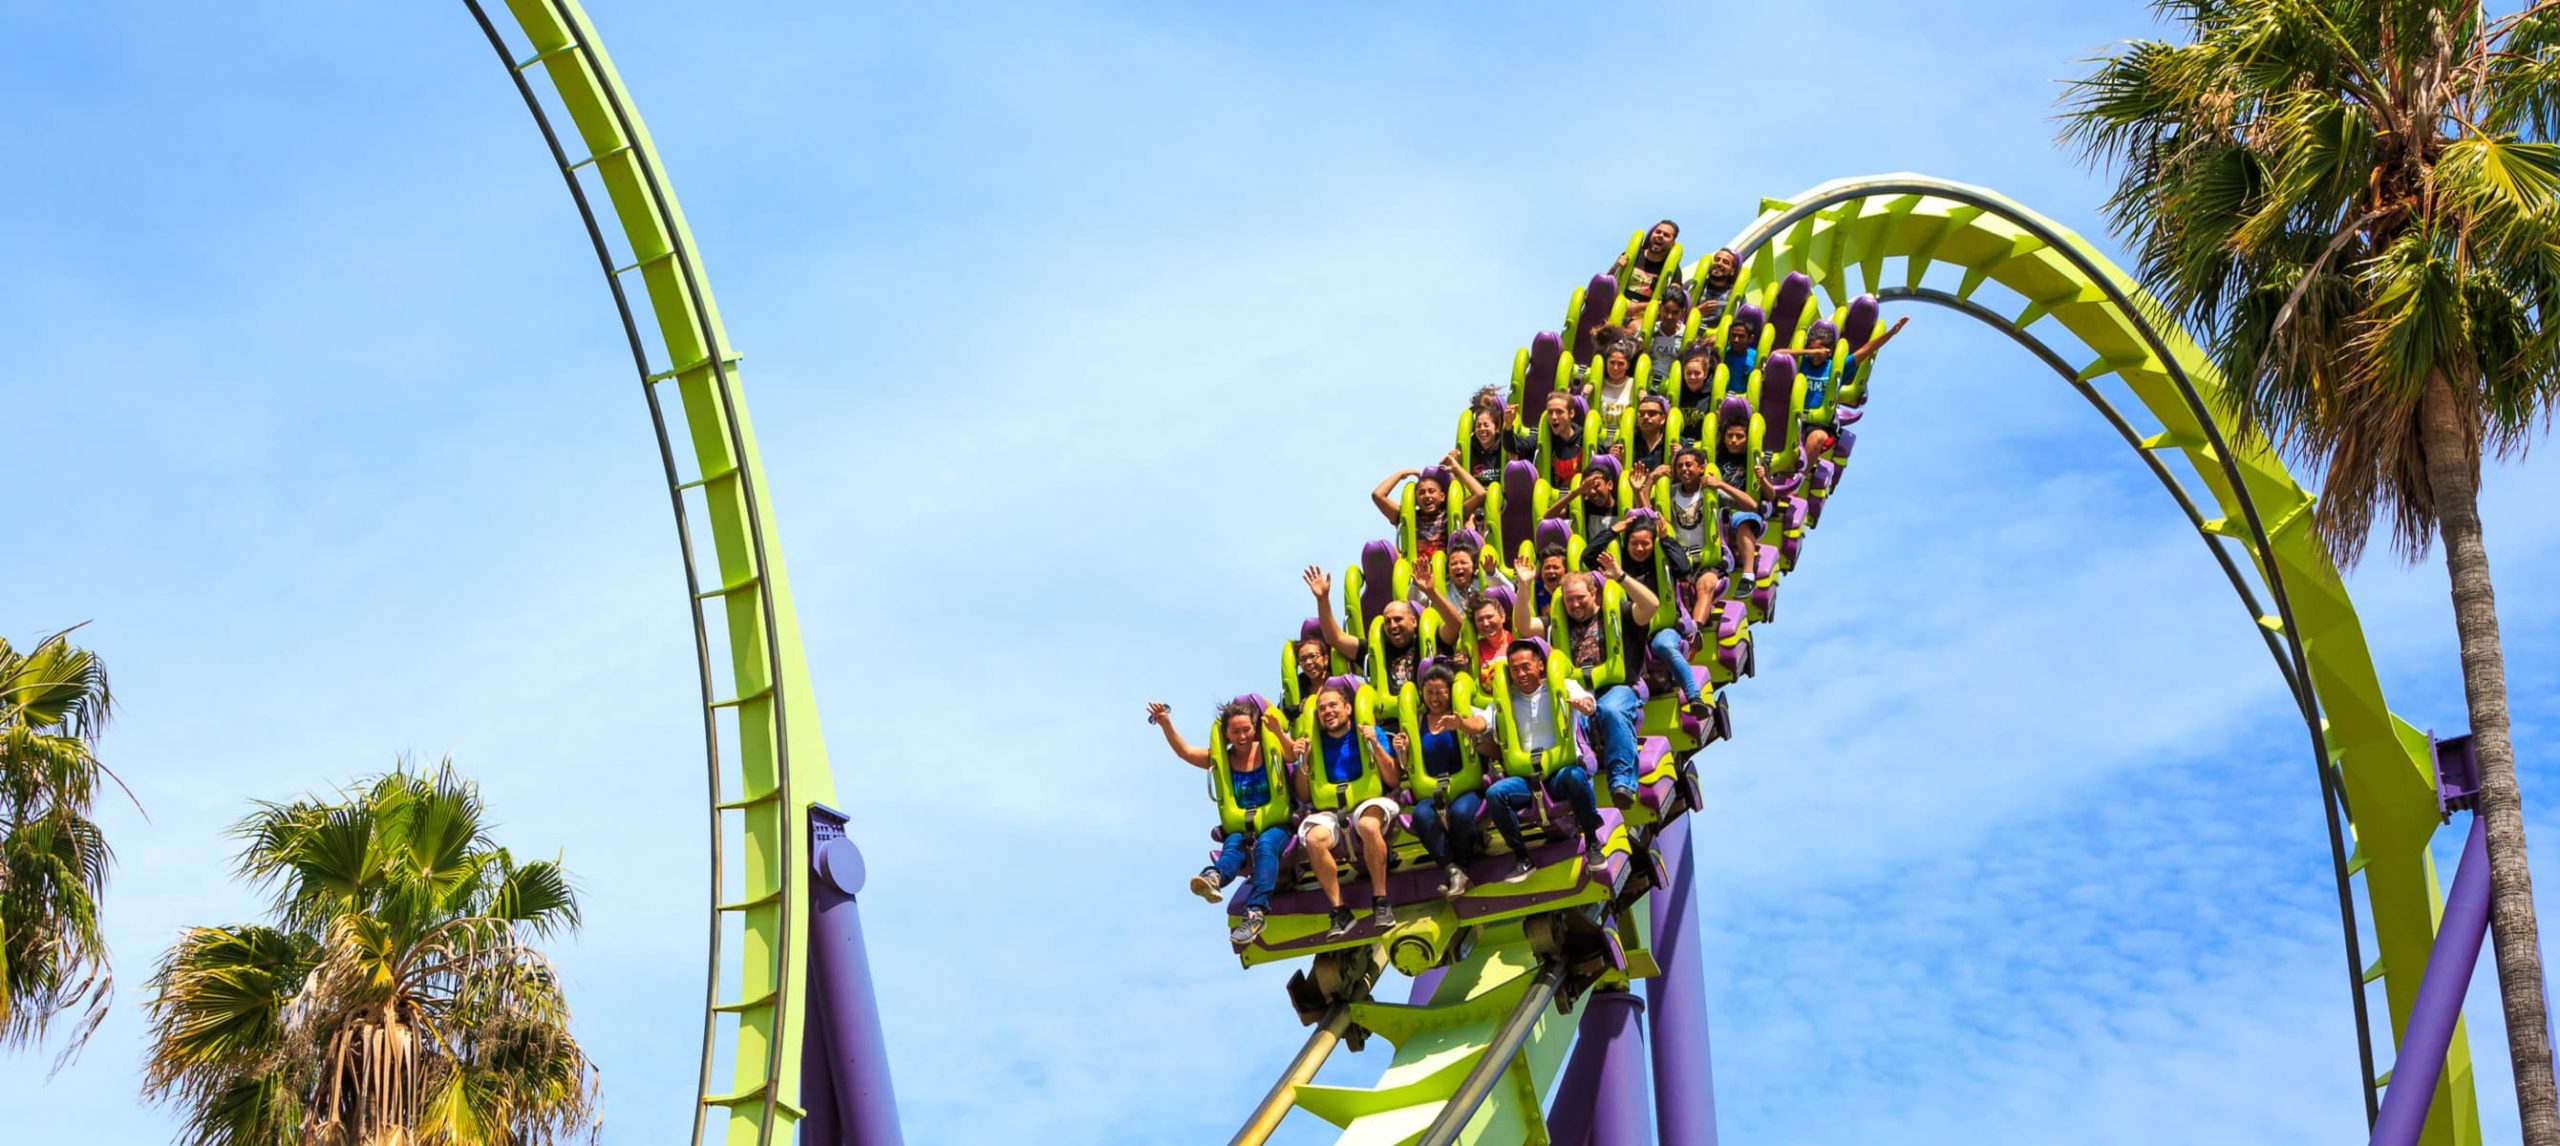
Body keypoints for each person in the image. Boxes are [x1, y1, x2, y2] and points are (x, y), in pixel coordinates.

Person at [1528, 552, 1673, 804]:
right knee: (1563, 719)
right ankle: (1576, 784)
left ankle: (1621, 782)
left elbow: (1651, 605)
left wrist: (1621, 577)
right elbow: (1524, 626)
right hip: (1577, 690)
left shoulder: (1621, 614)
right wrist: (1523, 586)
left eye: (1580, 598)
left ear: (1593, 594)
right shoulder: (1558, 624)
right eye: (1569, 600)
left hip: (1617, 686)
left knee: (1611, 710)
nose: (1574, 605)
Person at [1148, 699, 1293, 944]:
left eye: (1246, 729)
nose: (1242, 736)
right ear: (1226, 734)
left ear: (1255, 729)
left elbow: (1291, 755)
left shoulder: (1270, 749)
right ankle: (1214, 878)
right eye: (1235, 731)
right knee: (1233, 845)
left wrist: (1279, 731)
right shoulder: (1221, 759)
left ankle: (1256, 912)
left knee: (1266, 845)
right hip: (1240, 828)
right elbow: (1185, 751)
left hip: (1275, 825)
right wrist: (1165, 723)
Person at [1289, 682, 1402, 937]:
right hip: (1332, 810)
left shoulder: (1370, 732)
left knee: (1368, 826)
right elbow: (1305, 794)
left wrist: (1375, 744)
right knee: (1313, 839)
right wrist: (1303, 761)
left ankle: (1381, 901)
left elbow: (1394, 779)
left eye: (1333, 706)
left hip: (1369, 802)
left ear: (1348, 708)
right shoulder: (1314, 744)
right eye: (1321, 708)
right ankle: (1340, 911)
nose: (1327, 711)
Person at [1484, 639, 1604, 876]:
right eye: (1515, 669)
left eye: (1526, 667)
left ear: (1540, 665)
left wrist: (1582, 705)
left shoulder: (1562, 685)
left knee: (1575, 777)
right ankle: (1521, 856)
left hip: (1559, 772)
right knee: (1495, 794)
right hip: (1526, 778)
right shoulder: (1506, 699)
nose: (1520, 674)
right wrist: (1463, 723)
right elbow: (1483, 721)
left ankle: (1592, 841)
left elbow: (1590, 705)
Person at [1584, 510, 1717, 721]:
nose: (1639, 549)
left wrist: (1666, 540)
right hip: (1630, 628)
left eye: (1645, 544)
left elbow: (1684, 569)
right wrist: (1611, 531)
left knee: (1663, 645)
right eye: (1634, 543)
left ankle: (1694, 697)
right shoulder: (1617, 565)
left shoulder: (1660, 559)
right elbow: (1588, 557)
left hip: (1660, 627)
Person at [1401, 664, 1492, 896]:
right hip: (1432, 790)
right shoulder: (1417, 722)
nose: (1435, 698)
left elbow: (1484, 733)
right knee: (1421, 815)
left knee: (1461, 813)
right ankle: (1451, 870)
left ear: (1450, 692)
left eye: (1440, 692)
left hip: (1465, 788)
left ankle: (1462, 865)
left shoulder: (1463, 713)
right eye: (1429, 692)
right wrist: (1401, 750)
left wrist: (1462, 725)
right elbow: (1407, 764)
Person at [1305, 565, 1431, 697]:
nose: (1393, 625)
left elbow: (1453, 626)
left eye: (1398, 619)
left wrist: (1431, 591)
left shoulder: (1426, 642)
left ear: (1413, 621)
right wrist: (1322, 599)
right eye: (1388, 621)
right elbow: (1334, 638)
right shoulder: (1377, 650)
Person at [1371, 452, 1488, 564]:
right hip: (1419, 573)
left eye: (1431, 491)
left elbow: (1480, 494)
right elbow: (1378, 495)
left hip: (1447, 573)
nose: (1427, 496)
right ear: (1416, 500)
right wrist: (1401, 474)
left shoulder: (1452, 514)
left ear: (1442, 496)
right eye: (1421, 493)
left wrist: (1457, 469)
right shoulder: (1408, 517)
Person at [1710, 412, 1775, 596]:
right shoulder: (1716, 457)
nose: (1734, 441)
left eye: (1739, 436)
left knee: (1743, 521)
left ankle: (1748, 576)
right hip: (1716, 505)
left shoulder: (1756, 461)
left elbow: (1770, 495)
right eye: (1729, 436)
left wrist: (1762, 479)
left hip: (1742, 507)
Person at [1543, 455, 1624, 540]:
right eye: (1588, 488)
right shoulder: (1585, 507)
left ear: (1610, 485)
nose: (1592, 492)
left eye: (1596, 486)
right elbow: (1547, 519)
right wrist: (1576, 492)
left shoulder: (1621, 507)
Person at [1608, 219, 1682, 307]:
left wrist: (1638, 307)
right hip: (1617, 305)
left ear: (1672, 243)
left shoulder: (1673, 268)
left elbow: (1674, 299)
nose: (1660, 236)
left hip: (1644, 314)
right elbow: (1606, 281)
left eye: (1666, 235)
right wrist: (1616, 266)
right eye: (1658, 232)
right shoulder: (1632, 255)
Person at [1460, 388, 1513, 490]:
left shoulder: (1506, 442)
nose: (1482, 428)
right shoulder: (1470, 444)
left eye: (1490, 407)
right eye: (1479, 425)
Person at [1645, 285, 1689, 386]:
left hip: (1672, 386)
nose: (1669, 316)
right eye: (1666, 310)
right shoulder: (1649, 331)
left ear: (1682, 312)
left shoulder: (1686, 335)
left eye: (1675, 312)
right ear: (1660, 308)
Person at [1691, 248, 1740, 323]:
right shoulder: (1693, 286)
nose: (1719, 263)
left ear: (1732, 271)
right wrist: (1698, 311)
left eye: (1725, 262)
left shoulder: (1735, 295)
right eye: (1717, 259)